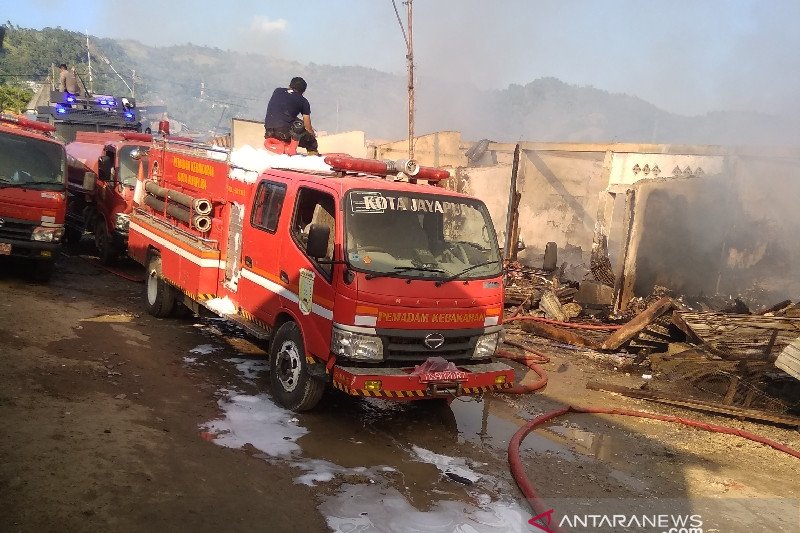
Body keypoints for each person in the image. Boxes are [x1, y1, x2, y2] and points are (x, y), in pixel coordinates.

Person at [263, 77, 318, 155]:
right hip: (285, 133)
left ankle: (285, 152)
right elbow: (307, 126)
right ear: (303, 91)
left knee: (295, 124)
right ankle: (313, 158)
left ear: (289, 85)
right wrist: (312, 134)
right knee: (311, 141)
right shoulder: (303, 101)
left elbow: (283, 115)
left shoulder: (277, 91)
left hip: (269, 132)